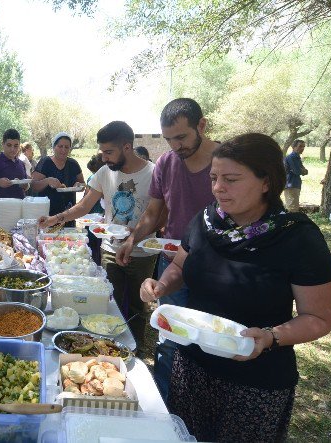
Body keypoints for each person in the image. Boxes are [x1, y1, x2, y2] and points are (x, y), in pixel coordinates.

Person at [140, 133, 331, 442]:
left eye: (231, 179)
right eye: (214, 178)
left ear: (266, 182)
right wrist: (160, 285)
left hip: (254, 382)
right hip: (193, 366)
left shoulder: (297, 238)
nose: (218, 187)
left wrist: (271, 336)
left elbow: (319, 319)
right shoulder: (205, 222)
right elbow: (179, 266)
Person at [116, 98, 217, 401]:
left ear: (202, 125)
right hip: (172, 262)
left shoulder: (227, 162)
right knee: (170, 335)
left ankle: (197, 401)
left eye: (182, 137)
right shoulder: (166, 163)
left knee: (207, 340)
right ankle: (163, 403)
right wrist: (132, 240)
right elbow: (152, 212)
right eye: (169, 139)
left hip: (216, 270)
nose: (175, 146)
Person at [40, 121, 159, 356]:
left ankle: (134, 350)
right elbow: (84, 205)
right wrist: (57, 218)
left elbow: (157, 215)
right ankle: (103, 348)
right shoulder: (105, 173)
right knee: (107, 304)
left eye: (108, 152)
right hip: (110, 250)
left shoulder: (153, 173)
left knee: (137, 306)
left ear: (127, 147)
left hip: (142, 252)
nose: (104, 158)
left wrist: (132, 240)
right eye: (102, 152)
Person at [31, 132, 85, 226]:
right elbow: (34, 186)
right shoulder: (45, 162)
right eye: (60, 146)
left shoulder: (73, 164)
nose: (63, 150)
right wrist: (47, 181)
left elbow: (83, 184)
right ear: (54, 147)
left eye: (66, 147)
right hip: (47, 212)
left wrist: (79, 185)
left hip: (68, 213)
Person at [0, 129, 29, 199]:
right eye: (9, 145)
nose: (12, 149)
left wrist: (23, 184)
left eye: (16, 146)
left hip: (20, 206)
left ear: (19, 146)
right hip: (1, 207)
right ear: (3, 144)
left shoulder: (21, 164)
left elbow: (26, 186)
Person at [85, 152, 105, 265]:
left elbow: (86, 198)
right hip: (96, 215)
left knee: (93, 243)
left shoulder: (92, 178)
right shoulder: (94, 178)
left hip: (93, 216)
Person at [284, 139, 308, 212]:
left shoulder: (297, 157)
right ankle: (291, 222)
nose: (302, 148)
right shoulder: (292, 157)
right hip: (291, 184)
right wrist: (302, 170)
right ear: (293, 147)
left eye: (303, 146)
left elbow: (305, 171)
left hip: (295, 184)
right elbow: (297, 171)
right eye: (300, 146)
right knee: (292, 207)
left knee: (294, 206)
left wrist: (302, 170)